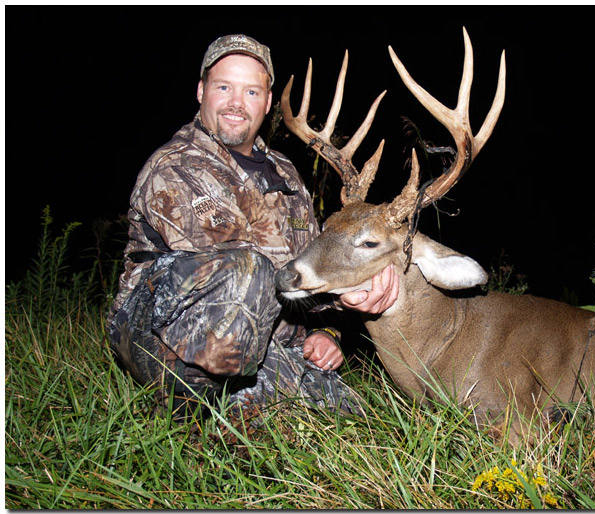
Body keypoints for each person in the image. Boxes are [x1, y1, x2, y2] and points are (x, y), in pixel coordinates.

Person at [107, 34, 398, 418]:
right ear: (200, 91)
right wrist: (345, 291)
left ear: (267, 102)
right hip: (160, 336)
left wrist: (326, 331)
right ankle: (187, 415)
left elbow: (313, 263)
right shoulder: (176, 166)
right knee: (248, 271)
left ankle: (242, 404)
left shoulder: (287, 175)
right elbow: (244, 283)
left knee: (352, 418)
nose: (235, 104)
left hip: (259, 344)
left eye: (250, 92)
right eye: (223, 87)